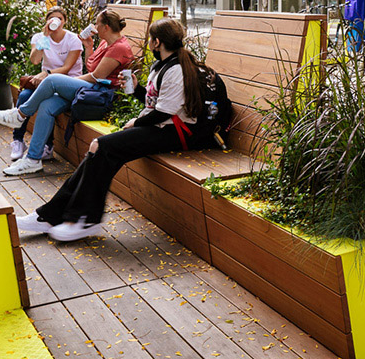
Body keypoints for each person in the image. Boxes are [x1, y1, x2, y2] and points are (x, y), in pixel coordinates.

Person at [14, 18, 219, 242]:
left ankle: (83, 219)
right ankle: (53, 215)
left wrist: (136, 123)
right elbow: (156, 104)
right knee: (98, 149)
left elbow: (164, 113)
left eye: (151, 39)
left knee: (102, 146)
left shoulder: (175, 69)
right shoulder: (162, 65)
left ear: (157, 42)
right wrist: (138, 89)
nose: (150, 43)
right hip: (162, 127)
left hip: (177, 133)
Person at [0, 9, 135, 176]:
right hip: (90, 89)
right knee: (46, 105)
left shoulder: (119, 47)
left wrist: (65, 82)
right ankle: (33, 159)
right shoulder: (105, 43)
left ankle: (20, 115)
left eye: (97, 24)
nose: (94, 27)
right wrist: (89, 46)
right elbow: (91, 67)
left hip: (101, 93)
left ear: (106, 27)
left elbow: (97, 77)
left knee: (52, 80)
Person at [10, 7, 84, 162]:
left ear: (64, 22)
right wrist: (45, 36)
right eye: (52, 18)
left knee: (45, 102)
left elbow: (67, 68)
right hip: (45, 83)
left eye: (60, 19)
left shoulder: (72, 39)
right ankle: (18, 141)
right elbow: (35, 60)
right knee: (23, 96)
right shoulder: (40, 37)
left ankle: (47, 146)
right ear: (46, 20)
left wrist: (47, 73)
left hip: (68, 84)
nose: (56, 22)